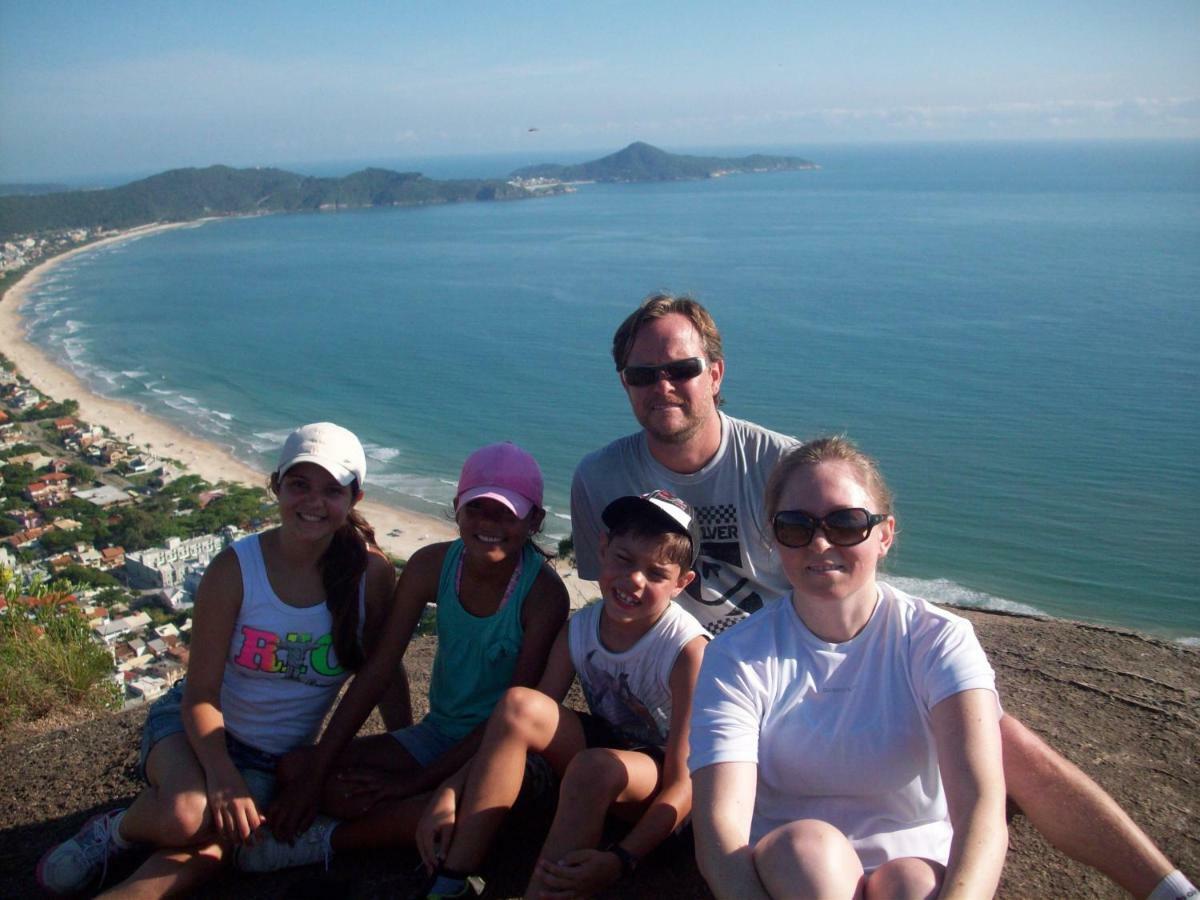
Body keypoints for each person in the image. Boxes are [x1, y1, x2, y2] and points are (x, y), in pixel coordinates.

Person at [570, 293, 1195, 900]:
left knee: (997, 737)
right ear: (624, 382)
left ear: (716, 372)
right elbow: (616, 595)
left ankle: (1167, 889)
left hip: (797, 642)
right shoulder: (601, 477)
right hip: (710, 671)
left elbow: (838, 574)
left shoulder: (781, 464)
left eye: (681, 369)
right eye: (642, 374)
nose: (664, 387)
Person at [36, 422, 398, 898]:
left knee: (220, 844)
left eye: (332, 490)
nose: (314, 502)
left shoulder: (371, 576)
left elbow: (381, 672)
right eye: (299, 485)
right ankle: (118, 829)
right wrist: (223, 777)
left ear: (356, 498)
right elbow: (200, 694)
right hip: (194, 732)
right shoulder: (237, 568)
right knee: (188, 815)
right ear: (276, 487)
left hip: (273, 759)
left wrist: (400, 747)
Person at [691, 435, 1007, 898]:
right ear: (775, 540)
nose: (820, 543)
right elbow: (720, 829)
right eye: (796, 526)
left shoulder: (938, 639)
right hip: (794, 873)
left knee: (910, 883)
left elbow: (982, 808)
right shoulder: (736, 656)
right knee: (810, 850)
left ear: (885, 534)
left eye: (845, 523)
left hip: (917, 866)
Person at [234, 441, 569, 876]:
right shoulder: (433, 565)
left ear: (534, 520)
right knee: (296, 769)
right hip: (436, 735)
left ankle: (323, 842)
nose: (489, 524)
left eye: (506, 513)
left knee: (434, 810)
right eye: (477, 509)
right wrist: (317, 773)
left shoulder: (542, 596)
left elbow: (509, 718)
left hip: (500, 752)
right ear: (456, 509)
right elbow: (378, 668)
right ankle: (392, 816)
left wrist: (413, 783)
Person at [412, 490, 708, 900]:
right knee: (519, 705)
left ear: (682, 583)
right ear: (603, 549)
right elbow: (516, 724)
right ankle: (452, 879)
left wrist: (622, 859)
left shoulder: (686, 650)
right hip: (611, 754)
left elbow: (685, 783)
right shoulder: (581, 628)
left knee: (592, 766)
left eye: (656, 573)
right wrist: (450, 789)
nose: (634, 580)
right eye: (623, 559)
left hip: (661, 799)